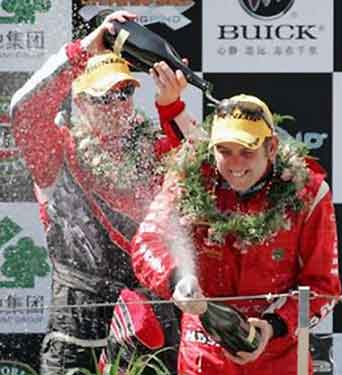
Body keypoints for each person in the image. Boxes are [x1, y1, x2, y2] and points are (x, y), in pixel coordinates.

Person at [10, 10, 200, 375]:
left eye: (125, 92)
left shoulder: (156, 152)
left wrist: (172, 105)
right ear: (79, 102)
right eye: (103, 98)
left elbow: (205, 175)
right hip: (78, 335)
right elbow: (24, 111)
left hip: (151, 330)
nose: (117, 106)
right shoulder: (56, 152)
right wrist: (82, 50)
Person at [130, 94, 342, 375]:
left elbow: (323, 288)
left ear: (272, 147)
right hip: (205, 352)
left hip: (278, 355)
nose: (235, 164)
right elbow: (147, 241)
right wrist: (177, 279)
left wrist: (272, 326)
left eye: (247, 150)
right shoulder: (189, 179)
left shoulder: (309, 192)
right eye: (225, 151)